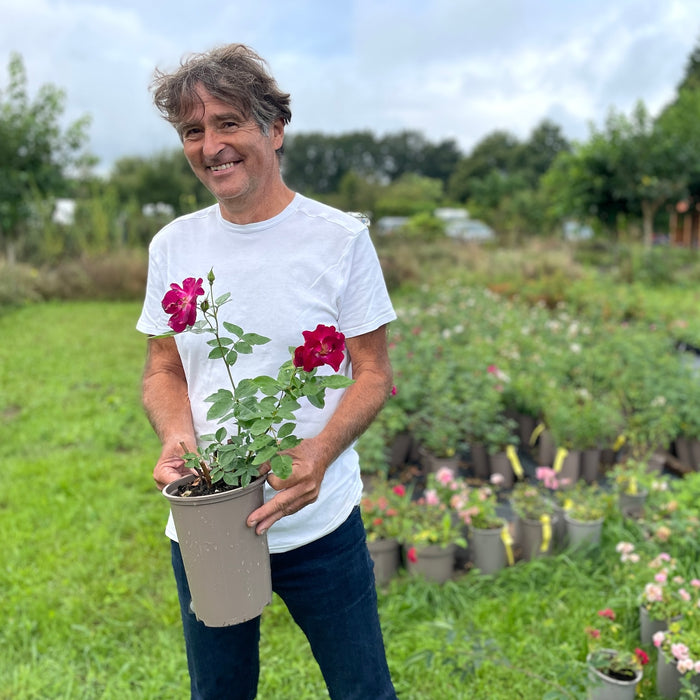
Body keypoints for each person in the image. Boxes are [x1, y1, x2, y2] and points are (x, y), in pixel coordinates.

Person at [136, 44, 398, 700]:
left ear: (274, 129)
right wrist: (177, 436)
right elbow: (163, 369)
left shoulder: (339, 239)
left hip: (319, 522)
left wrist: (318, 452)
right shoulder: (174, 245)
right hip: (210, 524)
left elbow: (370, 371)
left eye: (228, 123)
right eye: (193, 131)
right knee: (219, 693)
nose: (211, 145)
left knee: (363, 690)